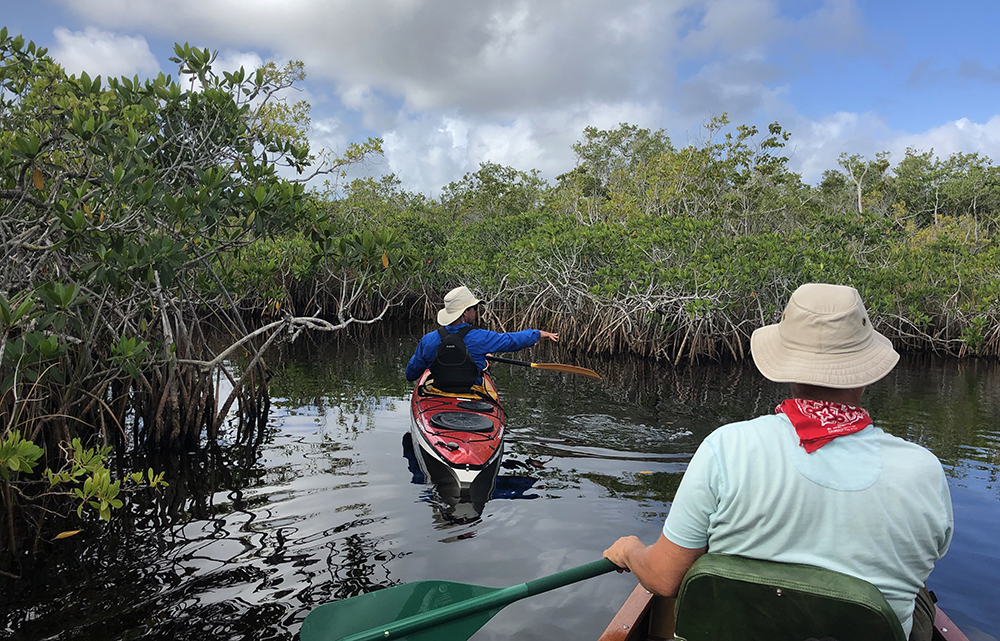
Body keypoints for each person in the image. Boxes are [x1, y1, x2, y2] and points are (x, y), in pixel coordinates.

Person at [603, 283, 954, 641]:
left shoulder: (727, 447)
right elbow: (928, 557)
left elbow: (663, 579)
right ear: (865, 370)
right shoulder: (923, 470)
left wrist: (630, 551)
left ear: (786, 365)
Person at [405, 285, 559, 391]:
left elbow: (410, 374)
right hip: (472, 393)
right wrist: (536, 334)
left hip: (439, 393)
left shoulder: (427, 340)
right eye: (475, 308)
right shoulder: (481, 338)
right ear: (465, 313)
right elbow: (511, 340)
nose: (476, 311)